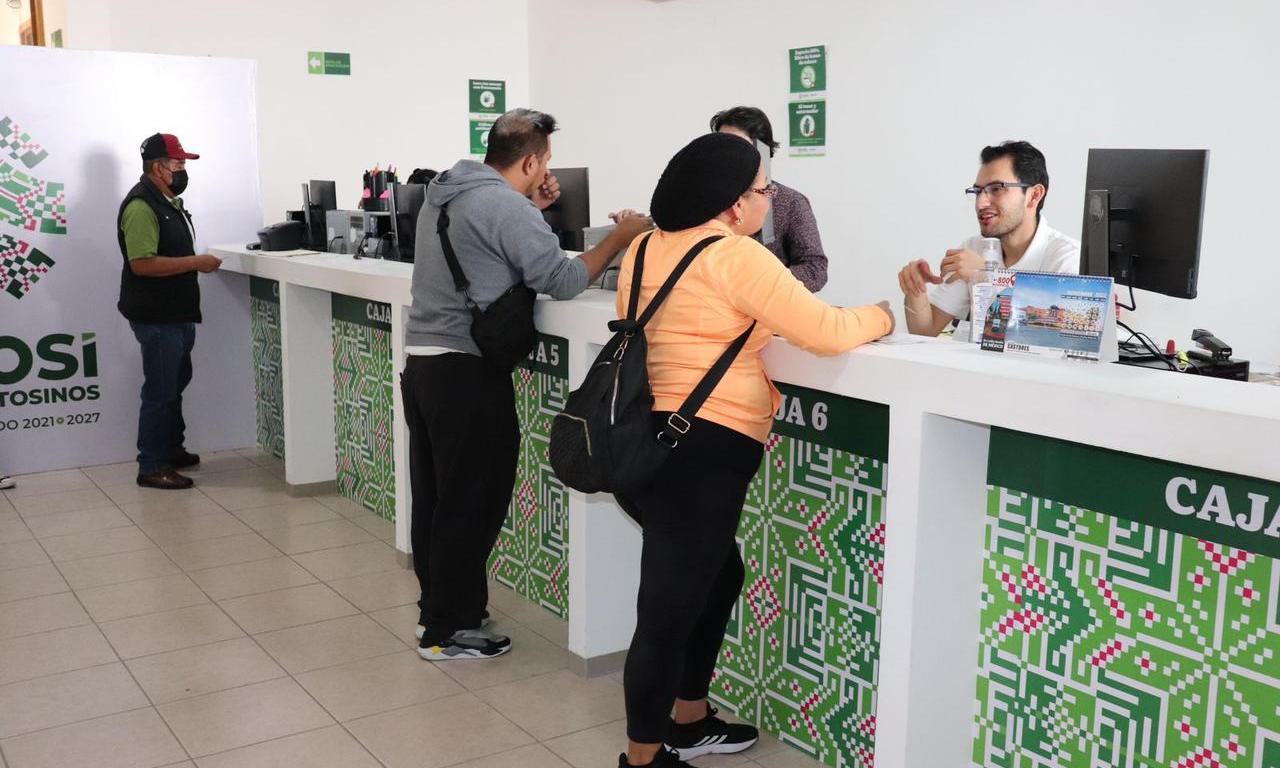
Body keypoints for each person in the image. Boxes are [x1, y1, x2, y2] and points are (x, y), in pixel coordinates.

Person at [613, 133, 893, 768]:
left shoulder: (644, 247)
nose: (770, 201)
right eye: (765, 191)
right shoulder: (736, 255)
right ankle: (644, 757)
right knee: (665, 613)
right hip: (702, 450)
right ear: (736, 204)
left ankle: (690, 717)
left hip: (646, 440)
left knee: (718, 576)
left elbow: (699, 321)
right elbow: (828, 332)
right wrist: (881, 315)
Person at [403, 108, 651, 660]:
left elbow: (486, 251)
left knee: (438, 499)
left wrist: (530, 208)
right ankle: (448, 630)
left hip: (424, 365)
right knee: (473, 502)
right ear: (533, 161)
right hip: (467, 371)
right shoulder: (502, 205)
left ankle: (442, 612)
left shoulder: (445, 192)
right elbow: (562, 280)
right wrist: (620, 237)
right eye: (546, 162)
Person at [117, 133, 222, 490]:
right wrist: (196, 262)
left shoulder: (166, 201)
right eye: (177, 164)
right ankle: (151, 464)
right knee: (160, 391)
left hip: (176, 312)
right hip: (157, 316)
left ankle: (172, 449)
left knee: (175, 383)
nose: (182, 170)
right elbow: (142, 264)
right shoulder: (141, 206)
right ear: (157, 168)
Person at [898, 140, 1080, 337]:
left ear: (1034, 195)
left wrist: (986, 277)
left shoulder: (1067, 259)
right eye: (977, 192)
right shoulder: (973, 248)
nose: (980, 203)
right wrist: (915, 289)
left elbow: (1057, 337)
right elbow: (925, 331)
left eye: (997, 189)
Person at [710, 106, 828, 292]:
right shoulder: (705, 199)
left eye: (737, 146)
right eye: (721, 144)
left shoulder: (791, 202)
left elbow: (815, 269)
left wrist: (763, 283)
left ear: (763, 152)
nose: (727, 154)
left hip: (770, 303)